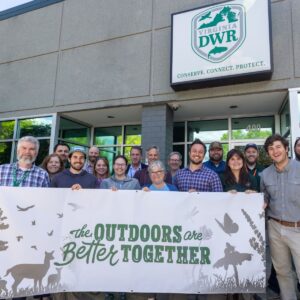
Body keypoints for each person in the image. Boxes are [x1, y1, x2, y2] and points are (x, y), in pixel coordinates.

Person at [260, 134, 300, 300]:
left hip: (298, 228)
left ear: (285, 148)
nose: (275, 151)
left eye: (278, 147)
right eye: (271, 149)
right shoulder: (265, 175)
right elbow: (264, 198)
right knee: (283, 272)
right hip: (275, 228)